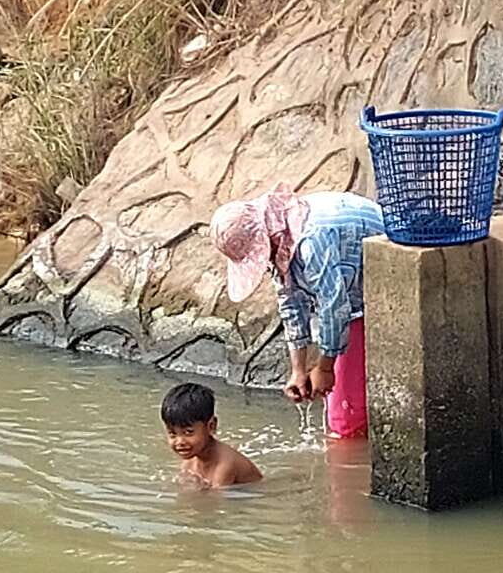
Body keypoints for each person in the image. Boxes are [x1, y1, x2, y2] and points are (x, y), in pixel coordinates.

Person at [209, 184, 384, 438]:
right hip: (352, 291)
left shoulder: (310, 240)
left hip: (374, 285)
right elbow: (290, 304)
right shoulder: (280, 237)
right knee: (342, 405)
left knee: (344, 420)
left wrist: (324, 368)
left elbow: (334, 308)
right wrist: (298, 370)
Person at [161, 382, 263, 488]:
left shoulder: (225, 466)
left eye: (188, 432)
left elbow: (214, 502)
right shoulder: (190, 458)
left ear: (211, 426)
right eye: (172, 434)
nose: (180, 442)